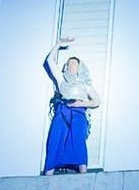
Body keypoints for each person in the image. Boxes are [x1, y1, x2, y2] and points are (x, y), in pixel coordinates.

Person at [43, 36, 100, 173]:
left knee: (78, 140)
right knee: (55, 140)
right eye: (69, 63)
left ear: (80, 67)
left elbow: (97, 101)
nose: (70, 65)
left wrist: (82, 103)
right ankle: (48, 174)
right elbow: (50, 61)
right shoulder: (61, 78)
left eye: (74, 63)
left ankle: (83, 174)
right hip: (63, 110)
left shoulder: (85, 84)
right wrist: (58, 44)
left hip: (79, 112)